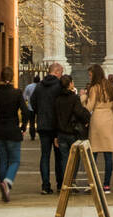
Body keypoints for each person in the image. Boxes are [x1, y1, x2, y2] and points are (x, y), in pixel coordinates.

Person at [0, 66, 28, 202]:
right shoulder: (17, 93)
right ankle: (7, 182)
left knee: (3, 160)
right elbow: (25, 111)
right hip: (13, 130)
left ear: (0, 78)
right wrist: (23, 126)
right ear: (12, 77)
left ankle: (4, 185)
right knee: (15, 160)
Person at [85, 63, 113, 192]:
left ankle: (93, 183)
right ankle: (107, 184)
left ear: (95, 74)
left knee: (93, 154)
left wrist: (83, 97)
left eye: (90, 75)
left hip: (97, 120)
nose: (89, 77)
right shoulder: (111, 87)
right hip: (109, 120)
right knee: (108, 155)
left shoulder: (95, 88)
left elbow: (89, 107)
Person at [30, 62, 64, 194]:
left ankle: (45, 185)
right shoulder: (59, 86)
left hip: (43, 125)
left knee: (44, 156)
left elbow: (32, 103)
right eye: (60, 72)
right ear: (56, 72)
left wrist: (41, 113)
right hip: (56, 126)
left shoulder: (39, 86)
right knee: (59, 156)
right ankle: (60, 184)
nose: (61, 75)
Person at [54, 74, 91, 180]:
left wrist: (55, 135)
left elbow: (55, 117)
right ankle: (72, 180)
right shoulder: (74, 98)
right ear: (70, 84)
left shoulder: (57, 99)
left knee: (64, 159)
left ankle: (66, 181)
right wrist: (87, 119)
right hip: (72, 132)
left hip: (61, 132)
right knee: (75, 158)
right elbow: (80, 113)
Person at [23, 71, 40, 141]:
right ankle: (40, 133)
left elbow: (24, 97)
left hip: (31, 107)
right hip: (39, 107)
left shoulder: (28, 86)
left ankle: (32, 135)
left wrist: (27, 100)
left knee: (32, 122)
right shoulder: (41, 87)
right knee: (39, 121)